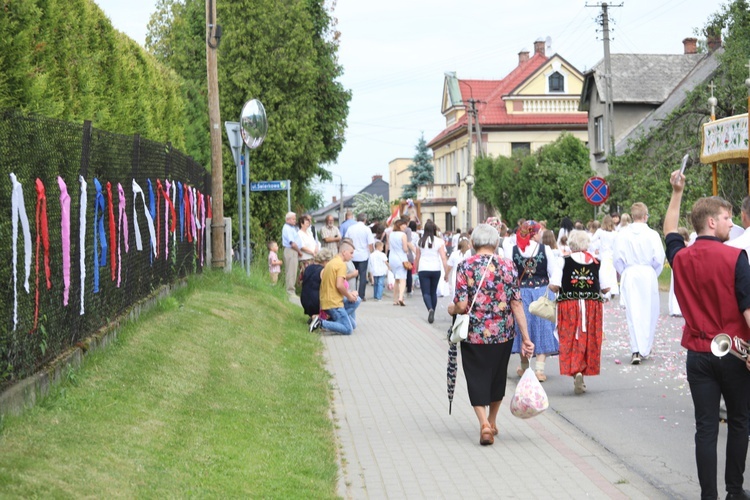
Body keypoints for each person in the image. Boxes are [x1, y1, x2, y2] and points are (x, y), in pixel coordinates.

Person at [664, 169, 750, 500]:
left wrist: (677, 192)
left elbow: (670, 230)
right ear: (711, 222)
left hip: (698, 354)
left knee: (706, 428)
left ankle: (708, 495)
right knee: (740, 421)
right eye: (727, 218)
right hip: (733, 353)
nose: (732, 224)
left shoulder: (681, 257)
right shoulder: (735, 257)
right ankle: (734, 489)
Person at [449, 223, 534, 445]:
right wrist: (526, 337)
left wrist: (452, 309)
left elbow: (461, 304)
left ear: (474, 243)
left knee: (476, 377)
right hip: (503, 333)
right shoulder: (508, 266)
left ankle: (483, 423)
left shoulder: (465, 266)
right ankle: (493, 420)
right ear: (496, 243)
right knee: (497, 377)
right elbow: (516, 303)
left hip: (473, 334)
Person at [549, 230, 611, 395]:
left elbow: (555, 285)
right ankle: (582, 372)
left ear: (571, 244)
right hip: (591, 306)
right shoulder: (596, 262)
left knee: (570, 337)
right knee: (588, 338)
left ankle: (575, 370)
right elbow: (606, 288)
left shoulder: (563, 260)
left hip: (569, 305)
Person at [613, 202, 665, 365]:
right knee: (649, 311)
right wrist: (653, 273)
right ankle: (644, 347)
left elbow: (617, 259)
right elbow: (659, 258)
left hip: (631, 272)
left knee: (633, 311)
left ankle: (636, 348)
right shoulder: (652, 234)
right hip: (646, 272)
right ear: (645, 216)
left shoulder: (623, 234)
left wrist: (625, 272)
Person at [511, 220, 560, 382]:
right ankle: (539, 369)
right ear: (535, 233)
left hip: (520, 293)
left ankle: (525, 367)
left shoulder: (512, 250)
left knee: (522, 328)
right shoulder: (545, 249)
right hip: (542, 292)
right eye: (539, 232)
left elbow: (510, 275)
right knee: (542, 327)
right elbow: (553, 273)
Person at [310, 241, 361, 335]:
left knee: (353, 323)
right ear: (344, 252)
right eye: (351, 253)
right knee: (348, 329)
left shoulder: (331, 262)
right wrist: (349, 296)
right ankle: (321, 323)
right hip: (334, 304)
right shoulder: (341, 265)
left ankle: (334, 320)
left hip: (326, 302)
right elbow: (339, 285)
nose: (352, 256)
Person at [414, 219, 449, 324]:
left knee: (426, 292)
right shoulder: (439, 241)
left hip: (423, 268)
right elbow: (443, 257)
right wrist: (446, 272)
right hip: (436, 269)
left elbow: (417, 257)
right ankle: (433, 309)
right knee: (433, 292)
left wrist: (416, 269)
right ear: (435, 229)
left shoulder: (420, 242)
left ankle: (430, 309)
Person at [346, 213, 375, 301]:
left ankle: (351, 293)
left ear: (356, 219)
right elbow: (370, 244)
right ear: (365, 220)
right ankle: (361, 295)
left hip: (352, 255)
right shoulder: (367, 229)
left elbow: (346, 240)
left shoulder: (350, 228)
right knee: (363, 276)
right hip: (363, 256)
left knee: (353, 275)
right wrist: (371, 251)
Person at [301, 248, 333, 321]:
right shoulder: (323, 270)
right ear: (326, 261)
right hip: (315, 302)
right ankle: (319, 317)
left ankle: (315, 317)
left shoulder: (308, 268)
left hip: (305, 300)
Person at [591, 214, 618, 299]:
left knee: (603, 273)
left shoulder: (600, 232)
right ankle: (613, 289)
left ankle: (606, 291)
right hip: (612, 255)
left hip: (603, 255)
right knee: (612, 273)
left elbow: (592, 240)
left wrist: (595, 248)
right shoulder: (615, 233)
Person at [388, 219, 410, 306]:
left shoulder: (391, 234)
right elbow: (405, 249)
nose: (405, 226)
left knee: (396, 280)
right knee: (403, 279)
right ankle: (401, 297)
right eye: (403, 225)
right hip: (401, 259)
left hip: (392, 258)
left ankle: (395, 299)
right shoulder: (403, 235)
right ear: (399, 226)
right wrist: (407, 250)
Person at [668, 227, 690, 317]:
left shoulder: (677, 246)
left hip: (676, 267)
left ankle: (675, 308)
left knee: (675, 287)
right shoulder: (689, 244)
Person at [282, 212, 303, 295]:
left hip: (293, 251)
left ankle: (290, 290)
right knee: (291, 271)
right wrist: (299, 251)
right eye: (293, 219)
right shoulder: (287, 228)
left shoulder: (291, 228)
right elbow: (292, 243)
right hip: (291, 250)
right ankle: (290, 291)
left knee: (292, 271)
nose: (295, 221)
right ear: (288, 219)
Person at [297, 214, 318, 289]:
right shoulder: (299, 233)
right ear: (301, 224)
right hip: (305, 258)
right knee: (305, 275)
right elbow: (302, 246)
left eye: (308, 222)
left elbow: (314, 242)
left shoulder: (309, 232)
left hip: (312, 257)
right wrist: (312, 252)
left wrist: (316, 249)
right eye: (306, 222)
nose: (308, 223)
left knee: (313, 275)